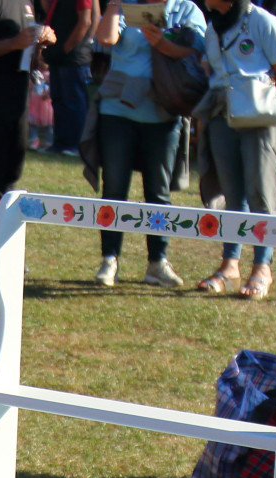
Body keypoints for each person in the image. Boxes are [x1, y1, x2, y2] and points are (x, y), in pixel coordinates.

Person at [90, 0, 207, 288]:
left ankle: (157, 262)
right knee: (114, 187)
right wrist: (114, 4)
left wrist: (163, 44)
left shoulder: (186, 9)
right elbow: (105, 38)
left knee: (158, 191)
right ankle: (109, 259)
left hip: (163, 110)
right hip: (117, 109)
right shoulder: (125, 5)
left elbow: (198, 53)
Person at [194, 0, 276, 299]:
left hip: (259, 119)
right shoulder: (212, 27)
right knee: (232, 193)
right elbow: (212, 70)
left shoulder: (263, 22)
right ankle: (230, 266)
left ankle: (262, 268)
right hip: (221, 115)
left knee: (260, 193)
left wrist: (269, 112)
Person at [0, 0, 57, 274]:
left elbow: (27, 53)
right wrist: (13, 43)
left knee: (10, 172)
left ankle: (1, 249)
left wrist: (41, 44)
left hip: (17, 94)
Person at [42, 0, 100, 153]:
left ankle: (75, 144)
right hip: (58, 53)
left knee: (73, 101)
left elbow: (85, 21)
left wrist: (66, 48)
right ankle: (61, 142)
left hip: (73, 56)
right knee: (59, 99)